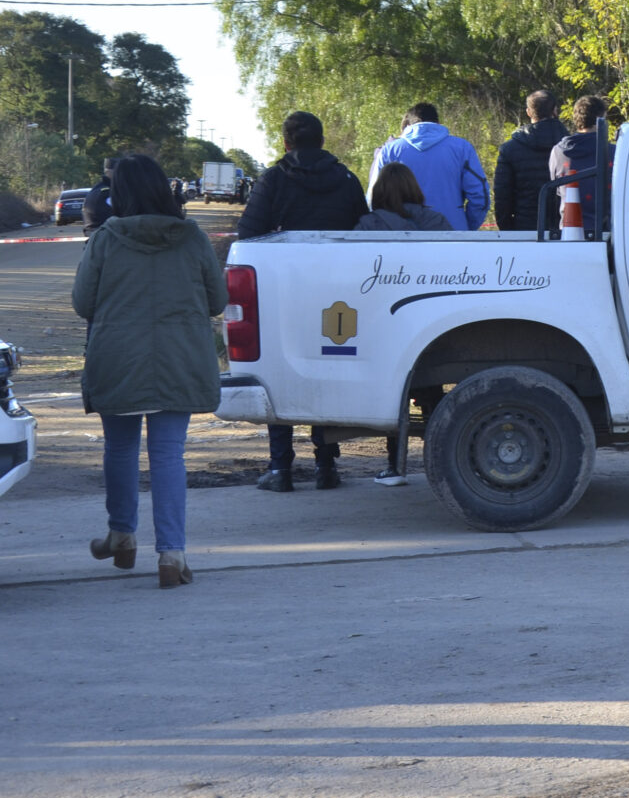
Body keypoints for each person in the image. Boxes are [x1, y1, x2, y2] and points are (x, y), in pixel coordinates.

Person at [71, 154, 227, 588]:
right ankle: (172, 555)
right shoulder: (193, 238)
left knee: (120, 449)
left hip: (117, 359)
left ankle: (121, 534)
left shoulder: (105, 239)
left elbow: (82, 303)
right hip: (180, 358)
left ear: (118, 194)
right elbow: (217, 301)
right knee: (168, 454)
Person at [238, 111, 370, 490]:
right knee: (326, 372)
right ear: (322, 141)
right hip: (336, 295)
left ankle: (280, 468)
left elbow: (248, 235)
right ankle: (326, 466)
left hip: (283, 292)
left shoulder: (273, 180)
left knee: (277, 373)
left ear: (286, 143)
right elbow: (364, 231)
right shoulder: (347, 180)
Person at [355, 163, 450, 485]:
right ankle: (442, 464)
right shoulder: (437, 222)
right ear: (414, 189)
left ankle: (394, 466)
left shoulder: (367, 226)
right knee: (432, 391)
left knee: (394, 395)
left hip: (387, 323)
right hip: (433, 323)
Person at [368, 102, 490, 231]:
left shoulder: (389, 151)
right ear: (438, 123)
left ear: (408, 124)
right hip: (452, 232)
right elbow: (480, 196)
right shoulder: (462, 148)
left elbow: (374, 198)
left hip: (403, 234)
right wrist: (466, 226)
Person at [492, 89, 568, 232]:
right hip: (565, 226)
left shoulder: (509, 149)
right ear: (555, 110)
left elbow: (502, 195)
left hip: (524, 227)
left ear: (528, 112)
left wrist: (507, 229)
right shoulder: (570, 146)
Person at [548, 95, 613, 232]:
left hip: (569, 228)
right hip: (606, 229)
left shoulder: (558, 151)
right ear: (601, 119)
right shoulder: (613, 152)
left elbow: (556, 188)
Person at [81, 159, 119, 235]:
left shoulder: (98, 188)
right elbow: (116, 217)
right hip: (105, 235)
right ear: (108, 172)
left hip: (98, 233)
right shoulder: (106, 193)